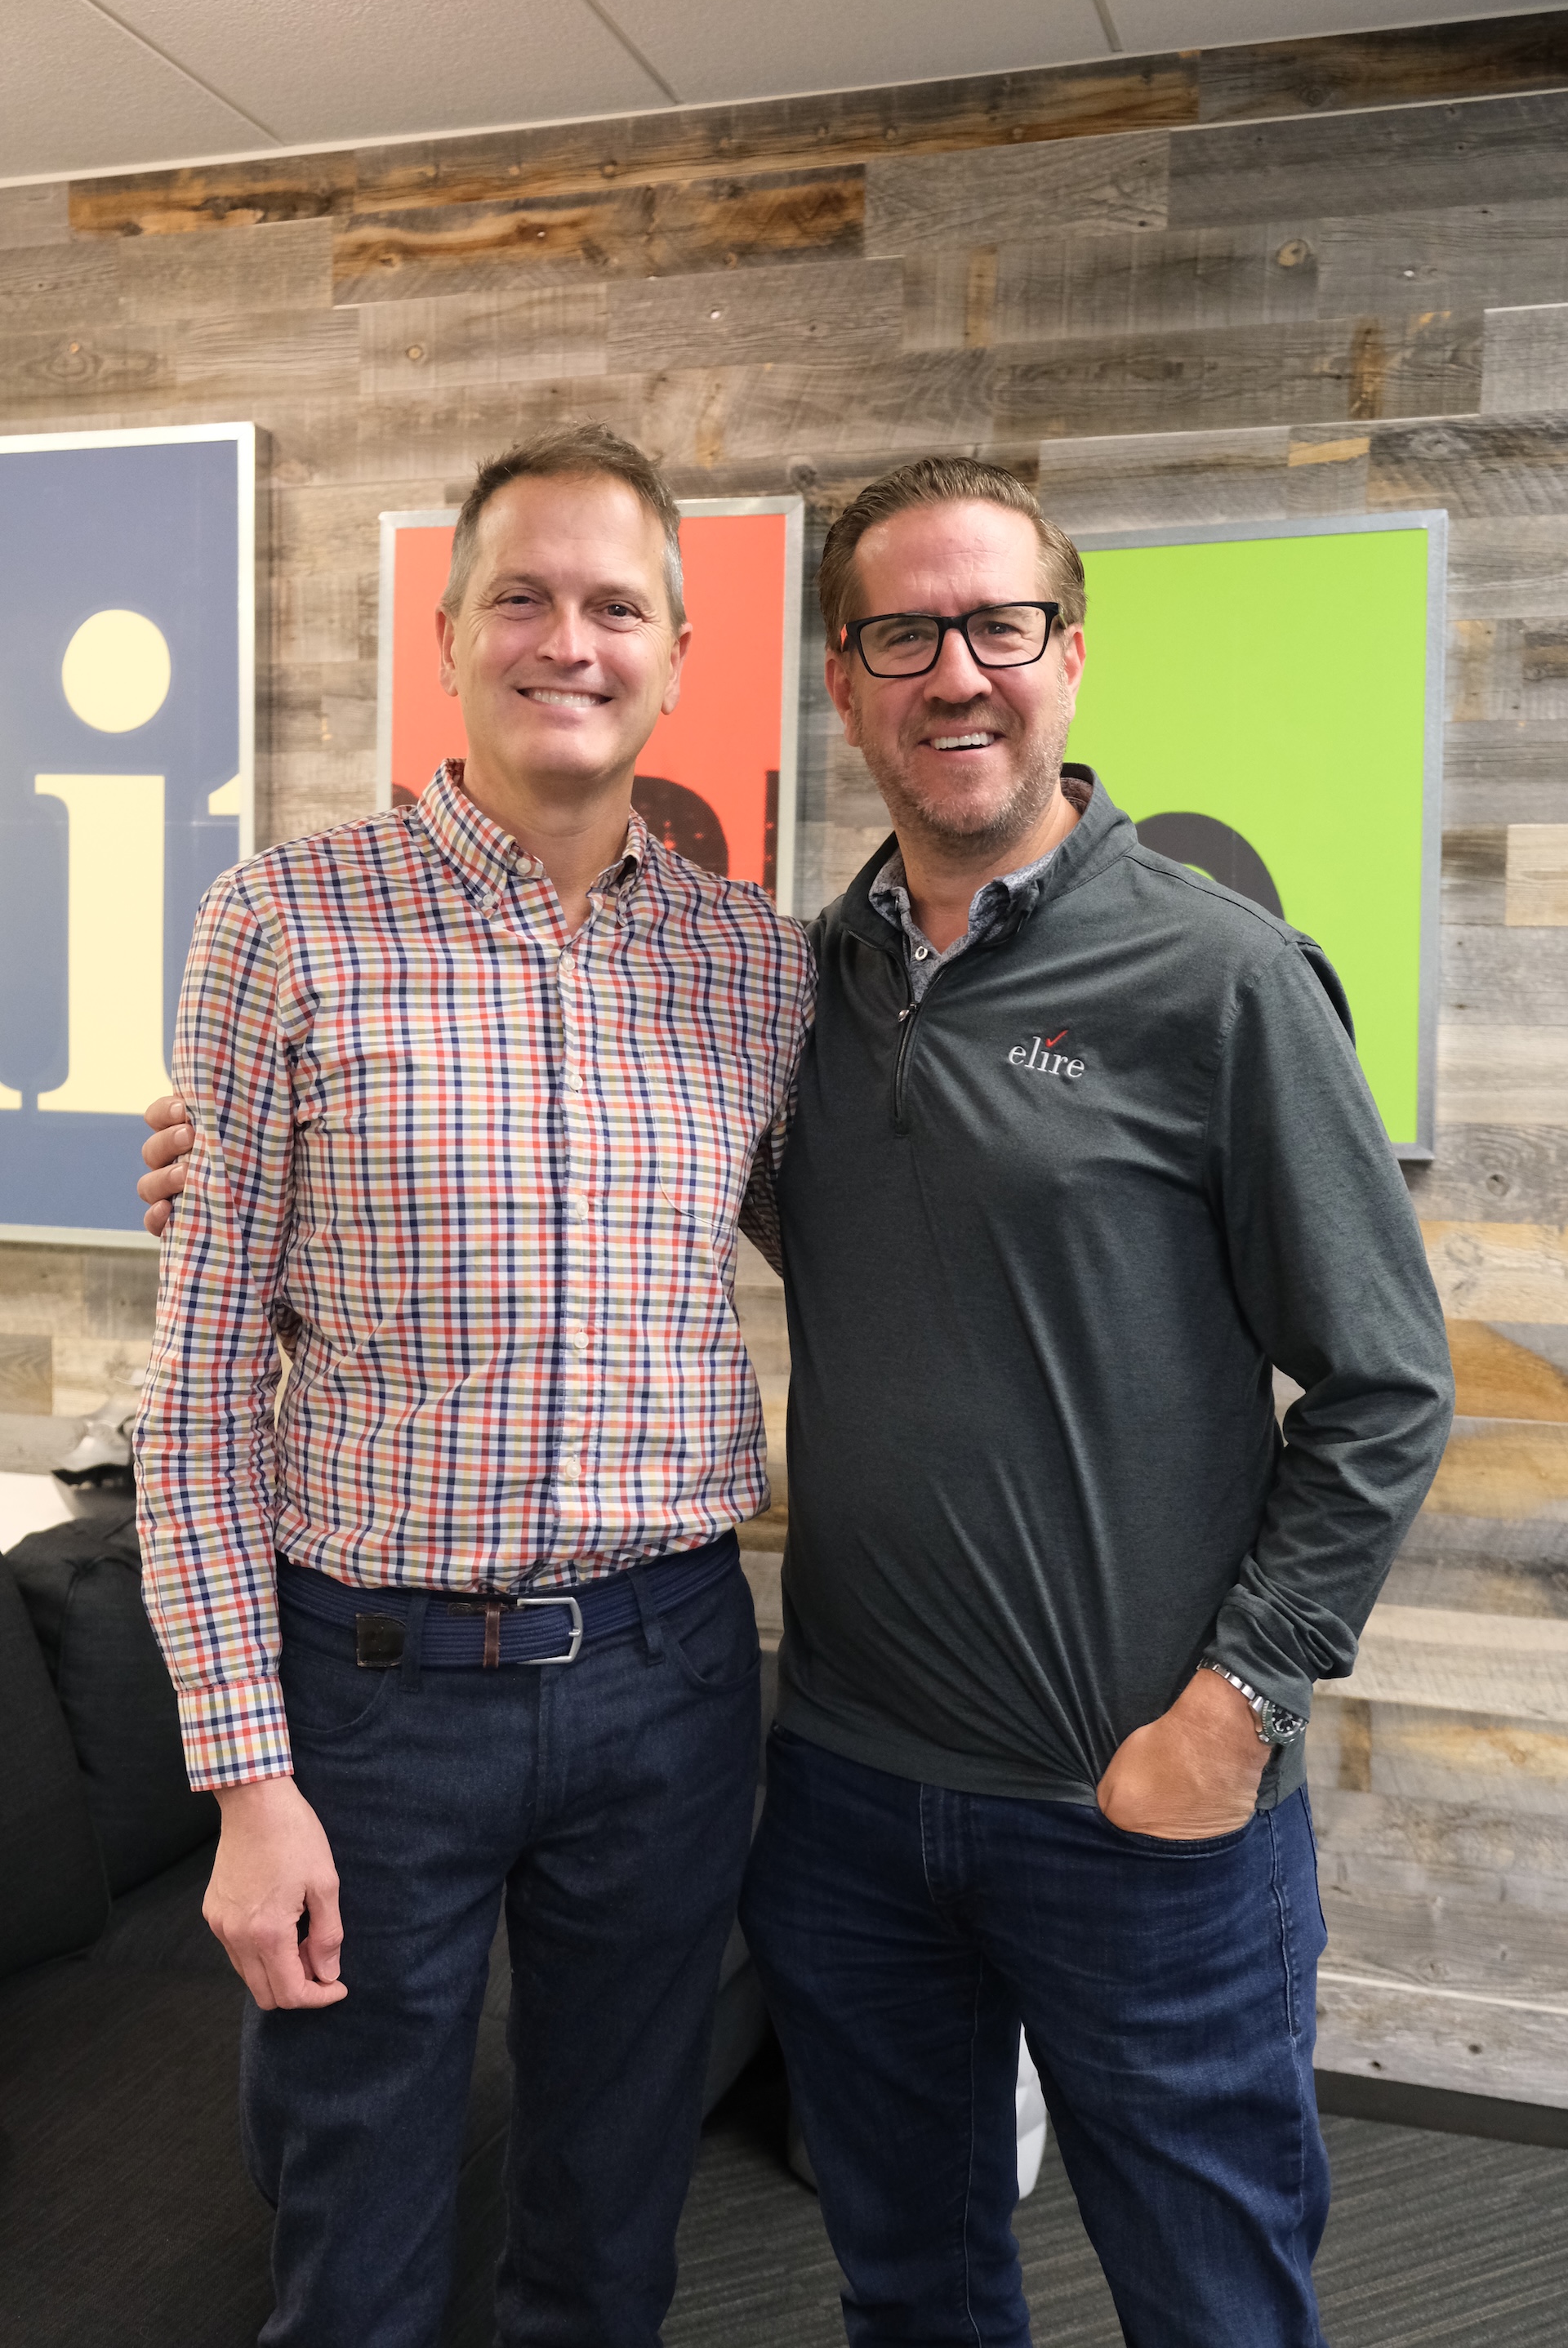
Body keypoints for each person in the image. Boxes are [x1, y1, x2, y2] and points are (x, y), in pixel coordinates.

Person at [143, 453, 1455, 2348]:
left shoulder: (1091, 974)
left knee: (1153, 2291)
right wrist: (225, 1168)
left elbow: (1386, 1380)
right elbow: (297, 1340)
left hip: (939, 1754)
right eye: (900, 634)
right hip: (676, 1757)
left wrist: (1240, 1707)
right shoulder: (725, 969)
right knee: (811, 2274)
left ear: (1067, 655)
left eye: (997, 626)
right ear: (837, 679)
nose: (955, 673)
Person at [131, 421, 813, 2348]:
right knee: (352, 2220)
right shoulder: (285, 924)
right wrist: (241, 1775)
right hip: (371, 1696)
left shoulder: (754, 970)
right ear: (448, 638)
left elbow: (885, 1246)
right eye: (522, 595)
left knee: (613, 2210)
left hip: (675, 1674)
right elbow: (189, 1402)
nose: (567, 639)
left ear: (679, 652)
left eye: (616, 605)